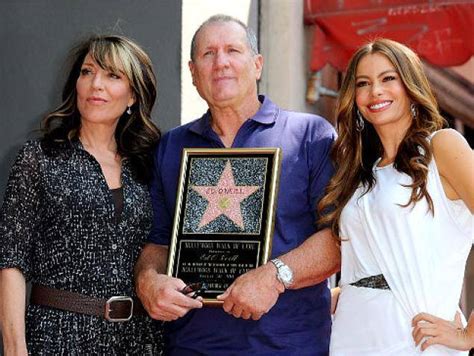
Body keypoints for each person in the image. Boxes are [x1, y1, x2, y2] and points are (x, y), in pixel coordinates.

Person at [135, 15, 340, 355]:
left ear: (257, 64)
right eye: (208, 54)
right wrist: (148, 282)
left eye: (233, 50)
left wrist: (275, 275)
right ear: (192, 71)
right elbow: (158, 241)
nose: (221, 63)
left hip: (289, 345)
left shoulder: (310, 136)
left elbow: (339, 238)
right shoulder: (172, 146)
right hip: (192, 345)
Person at [0, 35, 163, 355]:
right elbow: (11, 262)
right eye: (87, 72)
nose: (95, 84)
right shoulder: (39, 159)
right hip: (57, 337)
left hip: (139, 341)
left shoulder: (149, 165)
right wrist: (15, 348)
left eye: (112, 75)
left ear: (132, 95)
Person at [317, 38, 474, 355]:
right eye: (364, 83)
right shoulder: (361, 173)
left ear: (411, 85)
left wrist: (470, 334)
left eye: (388, 78)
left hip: (415, 336)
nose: (375, 91)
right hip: (351, 333)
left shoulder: (441, 147)